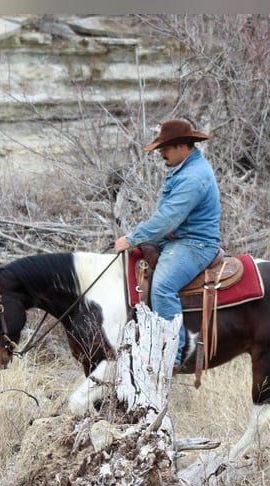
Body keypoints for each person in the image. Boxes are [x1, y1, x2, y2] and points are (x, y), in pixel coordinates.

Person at [114, 118, 221, 368]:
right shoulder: (184, 169)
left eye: (165, 148)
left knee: (162, 287)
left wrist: (132, 238)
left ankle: (171, 355)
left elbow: (167, 220)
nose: (161, 153)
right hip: (178, 239)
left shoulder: (192, 177)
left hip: (195, 245)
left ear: (182, 146)